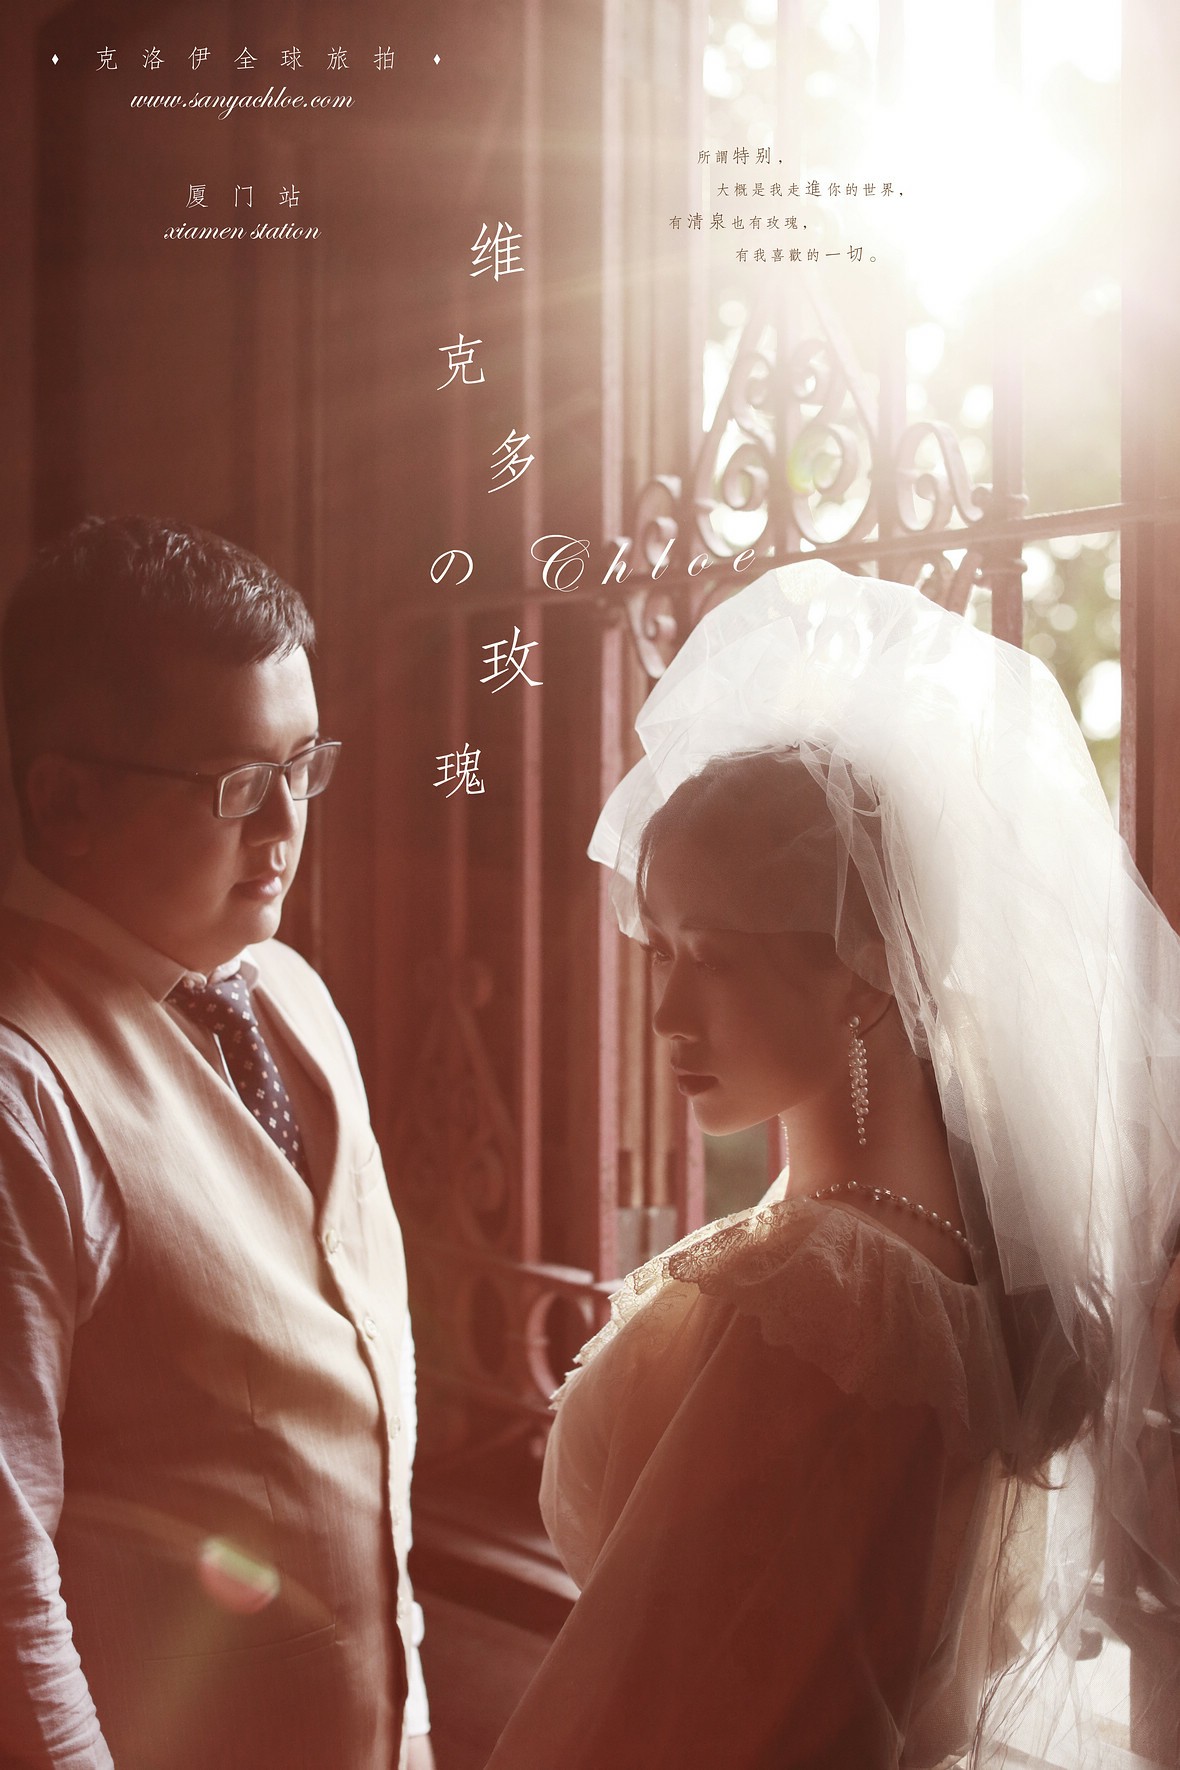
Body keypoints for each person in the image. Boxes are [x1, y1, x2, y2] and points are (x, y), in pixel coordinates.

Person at [486, 558, 1180, 1768]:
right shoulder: (938, 1243)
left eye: (715, 956)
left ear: (861, 968)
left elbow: (644, 1698)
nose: (667, 1015)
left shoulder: (827, 1298)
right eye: (661, 952)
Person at [0, 517, 434, 1770]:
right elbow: (8, 1576)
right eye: (236, 784)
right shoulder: (24, 1090)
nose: (286, 824)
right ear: (66, 802)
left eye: (304, 765)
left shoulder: (290, 992)